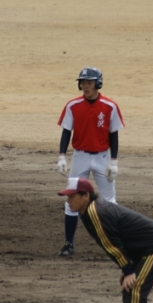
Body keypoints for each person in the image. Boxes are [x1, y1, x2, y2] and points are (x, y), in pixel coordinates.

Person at [56, 67, 125, 256]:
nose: (85, 86)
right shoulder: (73, 105)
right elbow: (66, 132)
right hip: (80, 156)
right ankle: (68, 244)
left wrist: (114, 161)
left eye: (89, 83)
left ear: (98, 83)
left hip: (102, 157)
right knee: (72, 199)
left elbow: (114, 135)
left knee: (109, 200)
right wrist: (62, 156)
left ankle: (115, 244)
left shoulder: (110, 106)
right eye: (83, 83)